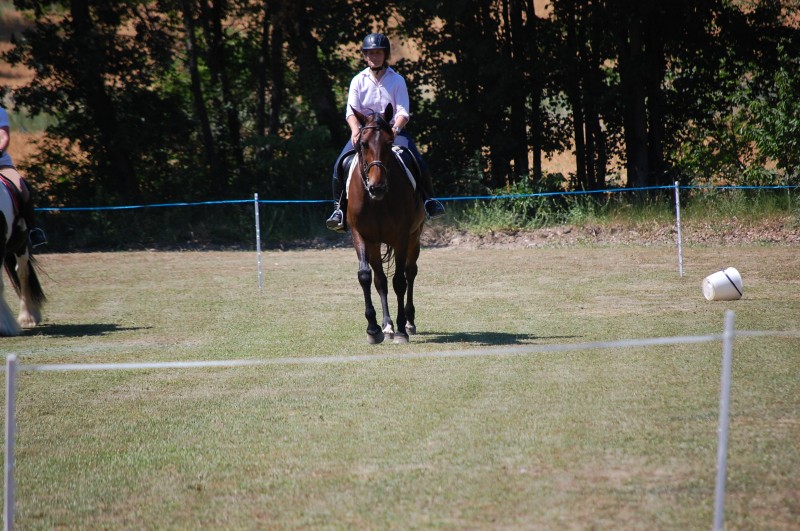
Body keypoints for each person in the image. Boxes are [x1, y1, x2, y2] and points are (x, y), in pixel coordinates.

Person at [326, 32, 445, 232]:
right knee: (341, 163)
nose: (374, 56)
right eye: (370, 53)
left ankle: (430, 201)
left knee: (416, 160)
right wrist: (355, 130)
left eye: (378, 53)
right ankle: (338, 210)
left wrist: (395, 129)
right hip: (365, 133)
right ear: (365, 56)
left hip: (392, 132)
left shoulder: (397, 80)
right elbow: (351, 112)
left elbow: (403, 112)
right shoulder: (358, 80)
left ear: (385, 55)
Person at [0, 106, 47, 247]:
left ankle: (32, 229)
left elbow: (4, 137)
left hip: (1, 165)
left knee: (22, 189)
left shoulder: (0, 111)